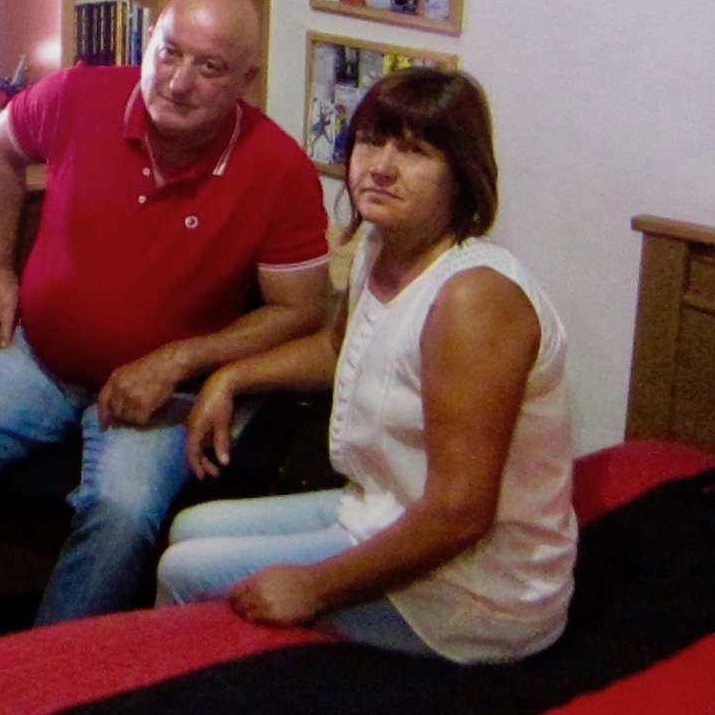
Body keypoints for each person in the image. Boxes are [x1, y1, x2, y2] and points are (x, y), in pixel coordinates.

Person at [0, 0, 332, 662]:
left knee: (122, 514)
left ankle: (50, 682)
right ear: (147, 43)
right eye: (168, 53)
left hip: (164, 390)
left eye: (209, 68)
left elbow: (300, 311)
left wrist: (178, 360)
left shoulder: (278, 169)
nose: (177, 82)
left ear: (246, 80)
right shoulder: (79, 96)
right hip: (41, 357)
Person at [156, 68, 576, 664]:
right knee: (190, 528)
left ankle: (170, 702)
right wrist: (231, 377)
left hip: (476, 586)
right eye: (371, 142)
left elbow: (461, 513)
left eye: (414, 151)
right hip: (385, 509)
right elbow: (341, 349)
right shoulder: (380, 244)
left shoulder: (473, 299)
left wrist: (314, 587)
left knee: (184, 570)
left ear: (463, 174)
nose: (380, 167)